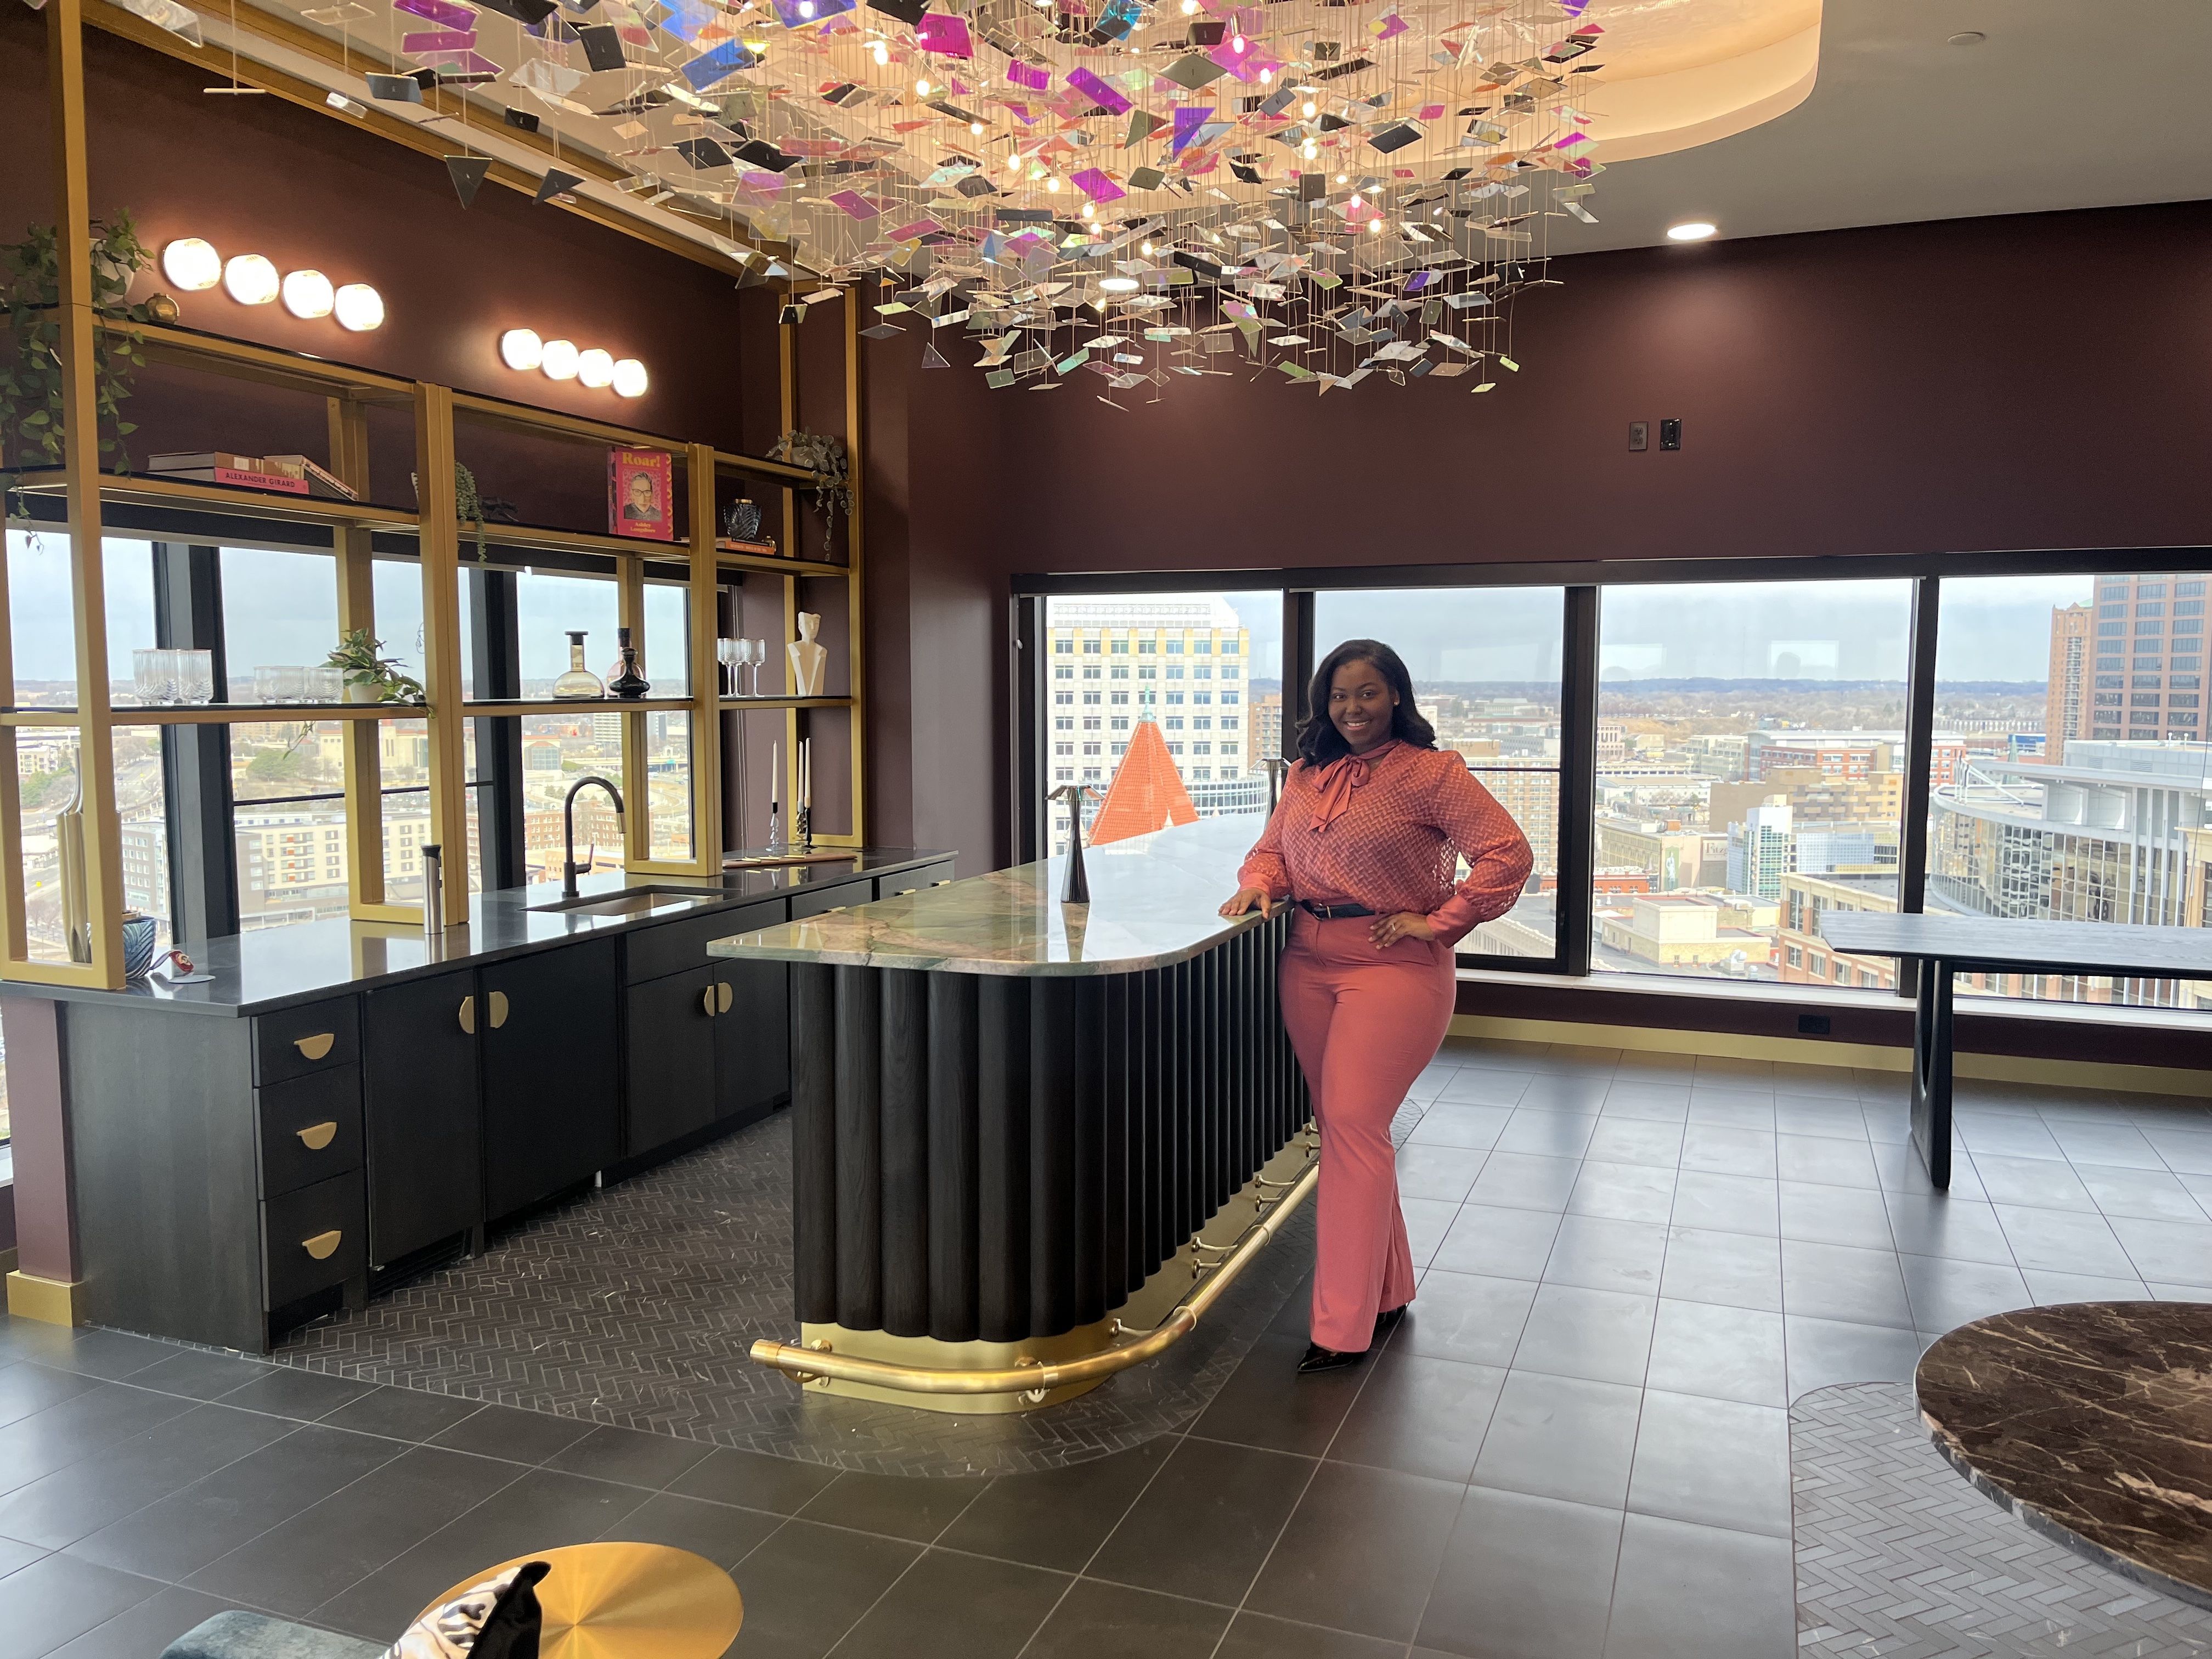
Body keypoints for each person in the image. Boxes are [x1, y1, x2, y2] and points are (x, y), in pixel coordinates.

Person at [1221, 639, 1533, 1374]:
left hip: (1395, 967)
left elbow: (1507, 854)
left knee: (1355, 1130)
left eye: (1367, 693)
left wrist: (1441, 920)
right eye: (1338, 696)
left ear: (1396, 695)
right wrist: (1260, 881)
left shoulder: (1433, 774)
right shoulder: (1308, 772)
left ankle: (1341, 1325)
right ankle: (1385, 1289)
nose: (1352, 709)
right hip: (1308, 960)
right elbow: (1272, 850)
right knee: (1346, 1131)